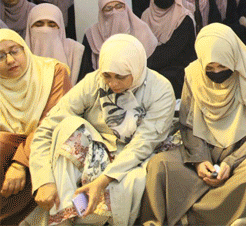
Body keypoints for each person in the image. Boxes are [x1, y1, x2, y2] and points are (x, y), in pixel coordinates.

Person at [29, 34, 175, 226]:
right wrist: (43, 180)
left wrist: (103, 180)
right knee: (65, 127)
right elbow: (48, 126)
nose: (113, 84)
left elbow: (143, 145)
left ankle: (69, 215)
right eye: (107, 76)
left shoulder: (161, 90)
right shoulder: (94, 81)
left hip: (136, 156)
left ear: (137, 69)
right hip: (99, 148)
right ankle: (64, 212)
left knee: (128, 184)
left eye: (120, 77)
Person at [141, 24, 246, 226]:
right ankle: (233, 215)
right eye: (210, 68)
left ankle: (191, 217)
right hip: (204, 150)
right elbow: (188, 123)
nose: (217, 72)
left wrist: (231, 162)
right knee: (159, 164)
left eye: (223, 67)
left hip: (245, 152)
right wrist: (199, 160)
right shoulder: (194, 74)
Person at [0, 29, 70, 226]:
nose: (10, 61)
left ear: (25, 48)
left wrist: (20, 163)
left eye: (15, 51)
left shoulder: (52, 71)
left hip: (48, 144)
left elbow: (51, 121)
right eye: (0, 56)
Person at [80, 0, 158, 82]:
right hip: (103, 85)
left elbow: (150, 67)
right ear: (101, 13)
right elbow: (86, 69)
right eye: (108, 9)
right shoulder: (92, 34)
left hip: (138, 84)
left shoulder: (142, 30)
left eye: (119, 6)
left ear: (126, 7)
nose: (114, 12)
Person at [141, 0, 197, 97]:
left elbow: (172, 50)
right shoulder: (146, 16)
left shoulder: (183, 18)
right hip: (153, 62)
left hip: (179, 65)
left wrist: (145, 63)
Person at [25, 4, 84, 87]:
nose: (45, 30)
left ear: (61, 28)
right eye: (39, 25)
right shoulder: (19, 55)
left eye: (52, 25)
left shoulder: (76, 52)